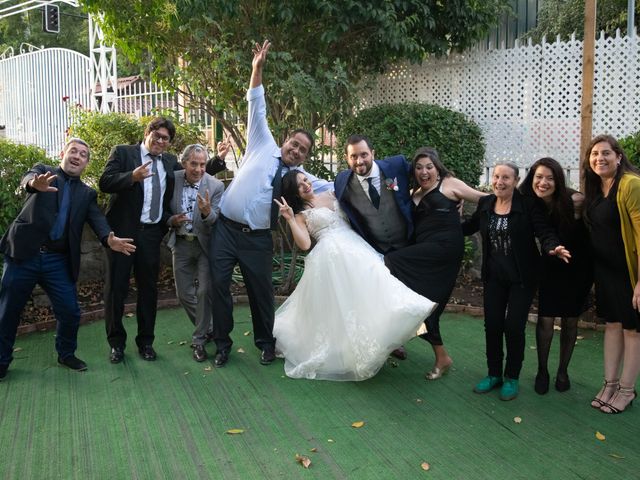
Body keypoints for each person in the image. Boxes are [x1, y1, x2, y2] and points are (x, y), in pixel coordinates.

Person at [209, 40, 331, 368]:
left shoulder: (300, 177)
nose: (297, 150)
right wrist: (257, 68)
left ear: (306, 156)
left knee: (261, 291)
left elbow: (335, 186)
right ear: (286, 139)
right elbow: (256, 104)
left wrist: (373, 174)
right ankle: (222, 344)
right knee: (218, 285)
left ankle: (266, 343)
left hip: (258, 238)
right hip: (226, 229)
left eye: (303, 149)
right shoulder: (262, 142)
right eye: (295, 143)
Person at [272, 171, 435, 381]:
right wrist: (290, 219)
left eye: (305, 180)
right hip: (331, 257)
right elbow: (304, 244)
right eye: (299, 185)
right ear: (294, 192)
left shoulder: (332, 193)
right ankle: (355, 349)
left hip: (356, 246)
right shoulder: (301, 214)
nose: (305, 185)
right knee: (347, 304)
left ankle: (392, 334)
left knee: (377, 284)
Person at [0, 138, 136, 379]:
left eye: (83, 154)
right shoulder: (44, 172)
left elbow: (98, 220)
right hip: (24, 254)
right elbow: (26, 181)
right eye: (73, 151)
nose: (77, 156)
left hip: (56, 261)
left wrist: (109, 239)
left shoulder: (87, 193)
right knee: (8, 310)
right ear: (63, 153)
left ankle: (66, 354)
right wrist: (34, 184)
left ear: (86, 163)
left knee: (71, 312)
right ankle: (2, 361)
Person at [462, 161, 570, 401]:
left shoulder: (528, 205)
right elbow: (467, 227)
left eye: (506, 178)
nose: (500, 182)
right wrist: (442, 227)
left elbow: (544, 232)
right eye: (497, 177)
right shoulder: (485, 203)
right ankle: (493, 374)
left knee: (513, 327)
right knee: (492, 325)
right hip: (494, 277)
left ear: (516, 181)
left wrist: (553, 247)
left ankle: (511, 377)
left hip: (521, 278)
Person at [386, 147, 487, 380]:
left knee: (391, 260)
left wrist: (467, 224)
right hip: (426, 252)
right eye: (419, 168)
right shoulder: (413, 193)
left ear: (437, 167)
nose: (424, 172)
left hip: (445, 250)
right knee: (424, 306)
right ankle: (442, 358)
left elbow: (486, 200)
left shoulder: (449, 184)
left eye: (429, 167)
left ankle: (398, 340)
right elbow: (389, 184)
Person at [99, 117, 181, 363]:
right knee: (116, 289)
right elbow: (105, 183)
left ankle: (146, 342)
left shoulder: (169, 162)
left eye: (165, 138)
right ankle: (116, 344)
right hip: (122, 234)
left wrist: (217, 162)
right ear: (147, 133)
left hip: (151, 234)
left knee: (148, 290)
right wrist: (131, 178)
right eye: (156, 135)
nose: (160, 141)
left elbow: (189, 175)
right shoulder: (124, 153)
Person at [334, 134, 414, 360]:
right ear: (347, 159)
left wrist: (451, 193)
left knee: (409, 297)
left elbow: (427, 173)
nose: (359, 161)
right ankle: (392, 343)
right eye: (353, 157)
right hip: (375, 250)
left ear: (373, 154)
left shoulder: (396, 166)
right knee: (381, 300)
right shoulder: (342, 181)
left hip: (407, 244)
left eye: (363, 155)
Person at [519, 157, 593, 394]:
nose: (543, 182)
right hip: (550, 265)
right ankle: (542, 370)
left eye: (550, 178)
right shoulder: (530, 202)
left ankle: (563, 370)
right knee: (545, 319)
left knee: (571, 321)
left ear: (558, 181)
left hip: (578, 267)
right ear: (532, 178)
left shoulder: (575, 200)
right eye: (539, 177)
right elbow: (544, 231)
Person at [583, 134, 640, 414]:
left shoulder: (631, 185)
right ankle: (609, 384)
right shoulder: (596, 187)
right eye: (594, 154)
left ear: (619, 157)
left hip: (629, 274)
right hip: (604, 272)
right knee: (613, 325)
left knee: (632, 330)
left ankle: (627, 390)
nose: (599, 159)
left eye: (606, 153)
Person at [167, 144, 224, 362]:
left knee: (203, 293)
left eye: (202, 164)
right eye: (194, 164)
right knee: (184, 294)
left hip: (204, 246)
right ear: (184, 163)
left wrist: (207, 212)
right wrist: (170, 220)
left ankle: (199, 341)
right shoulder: (173, 179)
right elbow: (162, 209)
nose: (199, 169)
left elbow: (216, 220)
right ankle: (208, 327)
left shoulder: (216, 185)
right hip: (180, 243)